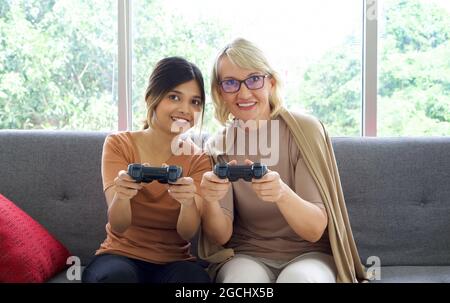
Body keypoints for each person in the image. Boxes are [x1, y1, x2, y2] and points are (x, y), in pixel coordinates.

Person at [199, 38, 368, 283]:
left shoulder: (305, 131)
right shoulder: (218, 146)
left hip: (310, 255)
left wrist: (281, 193)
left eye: (254, 79)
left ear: (272, 82)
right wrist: (210, 201)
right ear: (220, 91)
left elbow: (313, 230)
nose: (244, 92)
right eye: (231, 83)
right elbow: (220, 236)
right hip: (247, 256)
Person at [82, 57, 211, 283]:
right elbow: (119, 225)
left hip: (175, 262)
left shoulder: (199, 159)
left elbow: (187, 233)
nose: (185, 109)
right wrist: (122, 197)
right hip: (120, 255)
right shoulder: (118, 144)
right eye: (174, 97)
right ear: (152, 97)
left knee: (194, 283)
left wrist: (188, 202)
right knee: (115, 278)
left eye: (195, 102)